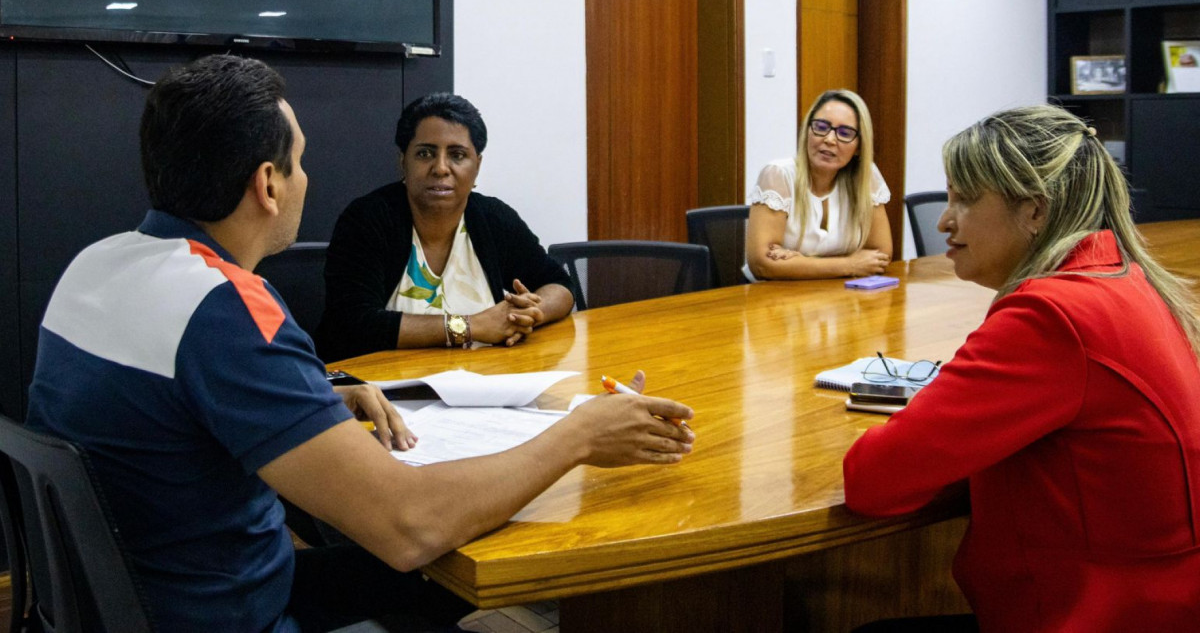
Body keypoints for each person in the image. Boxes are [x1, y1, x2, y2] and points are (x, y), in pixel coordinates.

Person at [25, 55, 695, 633]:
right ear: (267, 183)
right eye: (301, 162)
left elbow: (183, 412)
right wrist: (579, 437)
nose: (306, 179)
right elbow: (410, 527)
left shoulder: (96, 264)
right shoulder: (225, 308)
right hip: (229, 611)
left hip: (144, 594)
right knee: (432, 562)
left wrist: (326, 399)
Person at [842, 105, 1200, 631]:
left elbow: (872, 481)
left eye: (964, 199)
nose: (944, 220)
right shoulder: (1127, 280)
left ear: (1034, 211)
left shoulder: (1051, 315)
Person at [317, 93, 573, 362]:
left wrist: (528, 313)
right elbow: (353, 324)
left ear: (477, 166)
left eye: (457, 155)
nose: (440, 168)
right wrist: (472, 326)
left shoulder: (492, 218)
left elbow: (560, 285)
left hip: (482, 383)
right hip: (383, 389)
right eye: (425, 153)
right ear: (403, 160)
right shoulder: (368, 219)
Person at [743, 89, 892, 281]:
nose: (829, 140)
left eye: (845, 133)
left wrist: (801, 263)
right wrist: (850, 264)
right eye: (821, 127)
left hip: (836, 295)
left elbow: (880, 255)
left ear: (859, 147)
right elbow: (762, 264)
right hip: (772, 299)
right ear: (807, 131)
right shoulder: (778, 175)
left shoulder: (866, 177)